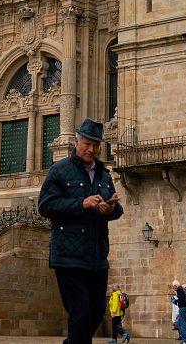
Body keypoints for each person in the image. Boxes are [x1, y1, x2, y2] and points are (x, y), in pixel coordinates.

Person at [36, 118, 124, 344]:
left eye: (95, 145)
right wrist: (81, 204)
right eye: (87, 144)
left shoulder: (104, 174)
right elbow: (45, 206)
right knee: (81, 312)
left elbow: (117, 210)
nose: (91, 149)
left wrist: (110, 209)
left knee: (96, 310)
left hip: (97, 257)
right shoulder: (59, 170)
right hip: (68, 256)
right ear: (77, 142)